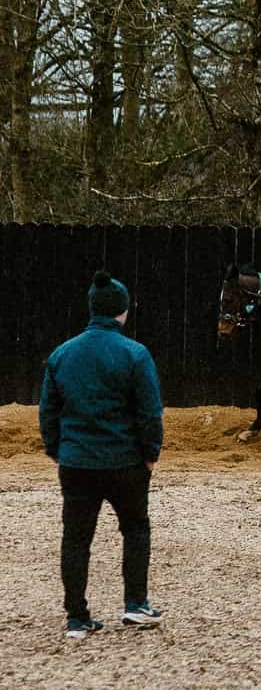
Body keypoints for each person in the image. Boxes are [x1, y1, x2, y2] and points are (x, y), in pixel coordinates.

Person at [39, 269, 164, 642]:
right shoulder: (135, 355)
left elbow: (48, 411)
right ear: (122, 312)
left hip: (76, 462)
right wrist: (150, 454)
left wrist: (57, 450)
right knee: (136, 529)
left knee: (76, 539)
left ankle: (77, 618)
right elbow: (149, 413)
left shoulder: (62, 354)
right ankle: (135, 603)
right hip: (125, 462)